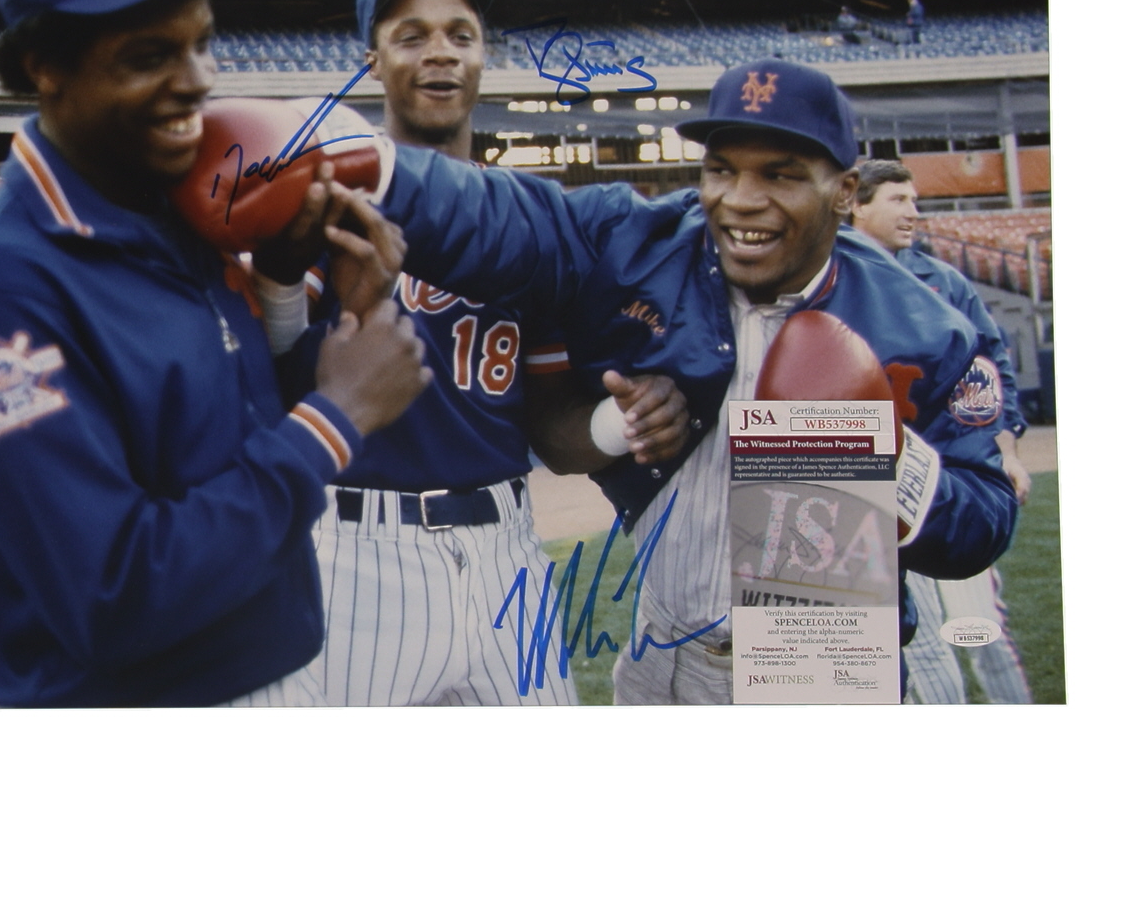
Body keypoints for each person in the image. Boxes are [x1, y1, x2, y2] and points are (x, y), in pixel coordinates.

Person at [0, 0, 430, 708]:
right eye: (150, 55)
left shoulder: (171, 205)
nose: (197, 81)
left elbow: (223, 440)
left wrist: (294, 291)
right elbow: (112, 597)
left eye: (202, 44)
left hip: (260, 681)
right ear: (46, 66)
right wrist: (334, 422)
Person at [365, 57, 1019, 703]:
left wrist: (885, 463)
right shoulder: (643, 242)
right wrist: (371, 171)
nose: (741, 199)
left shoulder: (922, 325)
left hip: (821, 656)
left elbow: (984, 519)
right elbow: (505, 215)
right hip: (661, 648)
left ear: (845, 190)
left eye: (781, 175)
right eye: (722, 170)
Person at [263, 0, 686, 705]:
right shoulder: (328, 197)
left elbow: (552, 430)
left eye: (461, 35)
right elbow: (263, 380)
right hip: (357, 549)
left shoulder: (529, 225)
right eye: (412, 34)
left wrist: (624, 423)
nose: (441, 54)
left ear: (485, 56)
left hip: (508, 550)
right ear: (372, 58)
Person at [851, 158, 1034, 703]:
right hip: (856, 478)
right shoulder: (824, 276)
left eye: (914, 199)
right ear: (856, 204)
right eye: (898, 200)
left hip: (944, 476)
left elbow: (987, 369)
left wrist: (1006, 452)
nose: (914, 211)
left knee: (979, 630)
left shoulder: (941, 280)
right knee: (884, 649)